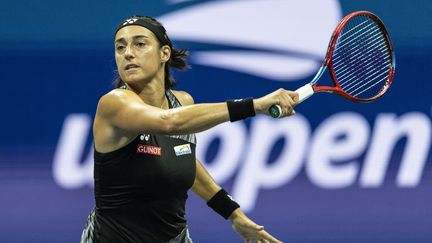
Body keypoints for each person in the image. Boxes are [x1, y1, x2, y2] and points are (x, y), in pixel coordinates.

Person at [80, 15, 298, 243]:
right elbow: (168, 122)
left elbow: (182, 157)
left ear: (164, 53)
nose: (128, 53)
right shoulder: (114, 103)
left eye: (140, 43)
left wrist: (234, 214)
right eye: (120, 47)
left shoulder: (183, 103)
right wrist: (254, 106)